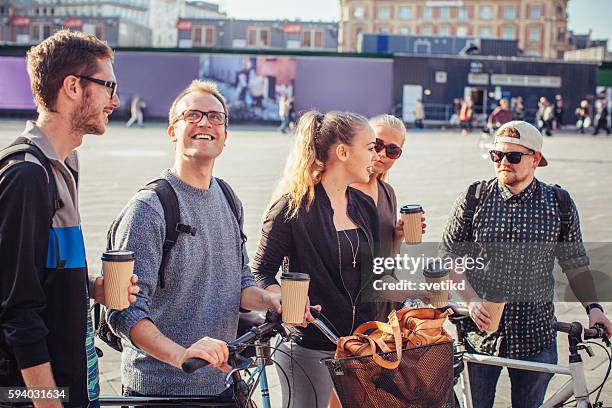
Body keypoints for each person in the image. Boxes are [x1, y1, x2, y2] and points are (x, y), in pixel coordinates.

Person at [107, 80, 313, 399]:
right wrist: (181, 355)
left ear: (225, 136)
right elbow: (123, 310)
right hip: (162, 392)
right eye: (192, 115)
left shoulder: (229, 199)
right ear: (172, 131)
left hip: (221, 383)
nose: (205, 123)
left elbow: (241, 283)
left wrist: (271, 299)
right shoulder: (149, 208)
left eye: (215, 117)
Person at [0, 30, 139, 408]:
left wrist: (89, 287)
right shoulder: (27, 174)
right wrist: (48, 402)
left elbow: (42, 272)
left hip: (75, 381)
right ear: (73, 87)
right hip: (36, 395)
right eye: (108, 86)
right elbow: (17, 309)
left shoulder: (63, 164)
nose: (115, 100)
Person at [252, 111, 426, 408]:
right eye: (371, 147)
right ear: (343, 152)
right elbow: (260, 272)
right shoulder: (290, 208)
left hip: (362, 345)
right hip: (311, 345)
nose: (377, 157)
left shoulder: (362, 204)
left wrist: (418, 294)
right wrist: (282, 299)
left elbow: (376, 271)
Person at [441, 121, 612, 408]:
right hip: (480, 338)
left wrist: (594, 309)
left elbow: (575, 264)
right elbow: (448, 257)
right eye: (497, 155)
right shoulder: (474, 198)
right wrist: (470, 301)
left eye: (513, 156)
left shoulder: (559, 203)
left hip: (535, 336)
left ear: (535, 159)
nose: (503, 162)